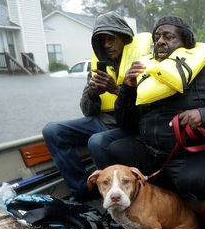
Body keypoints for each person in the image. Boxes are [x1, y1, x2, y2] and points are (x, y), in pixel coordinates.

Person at [106, 16, 205, 229]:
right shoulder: (149, 72)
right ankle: (139, 212)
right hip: (156, 148)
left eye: (169, 36)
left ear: (186, 43)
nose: (160, 41)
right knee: (114, 149)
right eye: (157, 37)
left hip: (201, 150)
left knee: (192, 180)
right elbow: (125, 123)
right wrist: (127, 89)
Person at [42, 12, 151, 201]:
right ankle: (83, 189)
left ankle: (113, 197)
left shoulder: (143, 61)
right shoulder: (99, 66)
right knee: (52, 130)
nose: (107, 45)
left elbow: (148, 106)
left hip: (130, 124)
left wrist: (116, 89)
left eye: (111, 39)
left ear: (124, 37)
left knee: (97, 141)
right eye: (102, 41)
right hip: (102, 120)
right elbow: (86, 110)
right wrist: (92, 93)